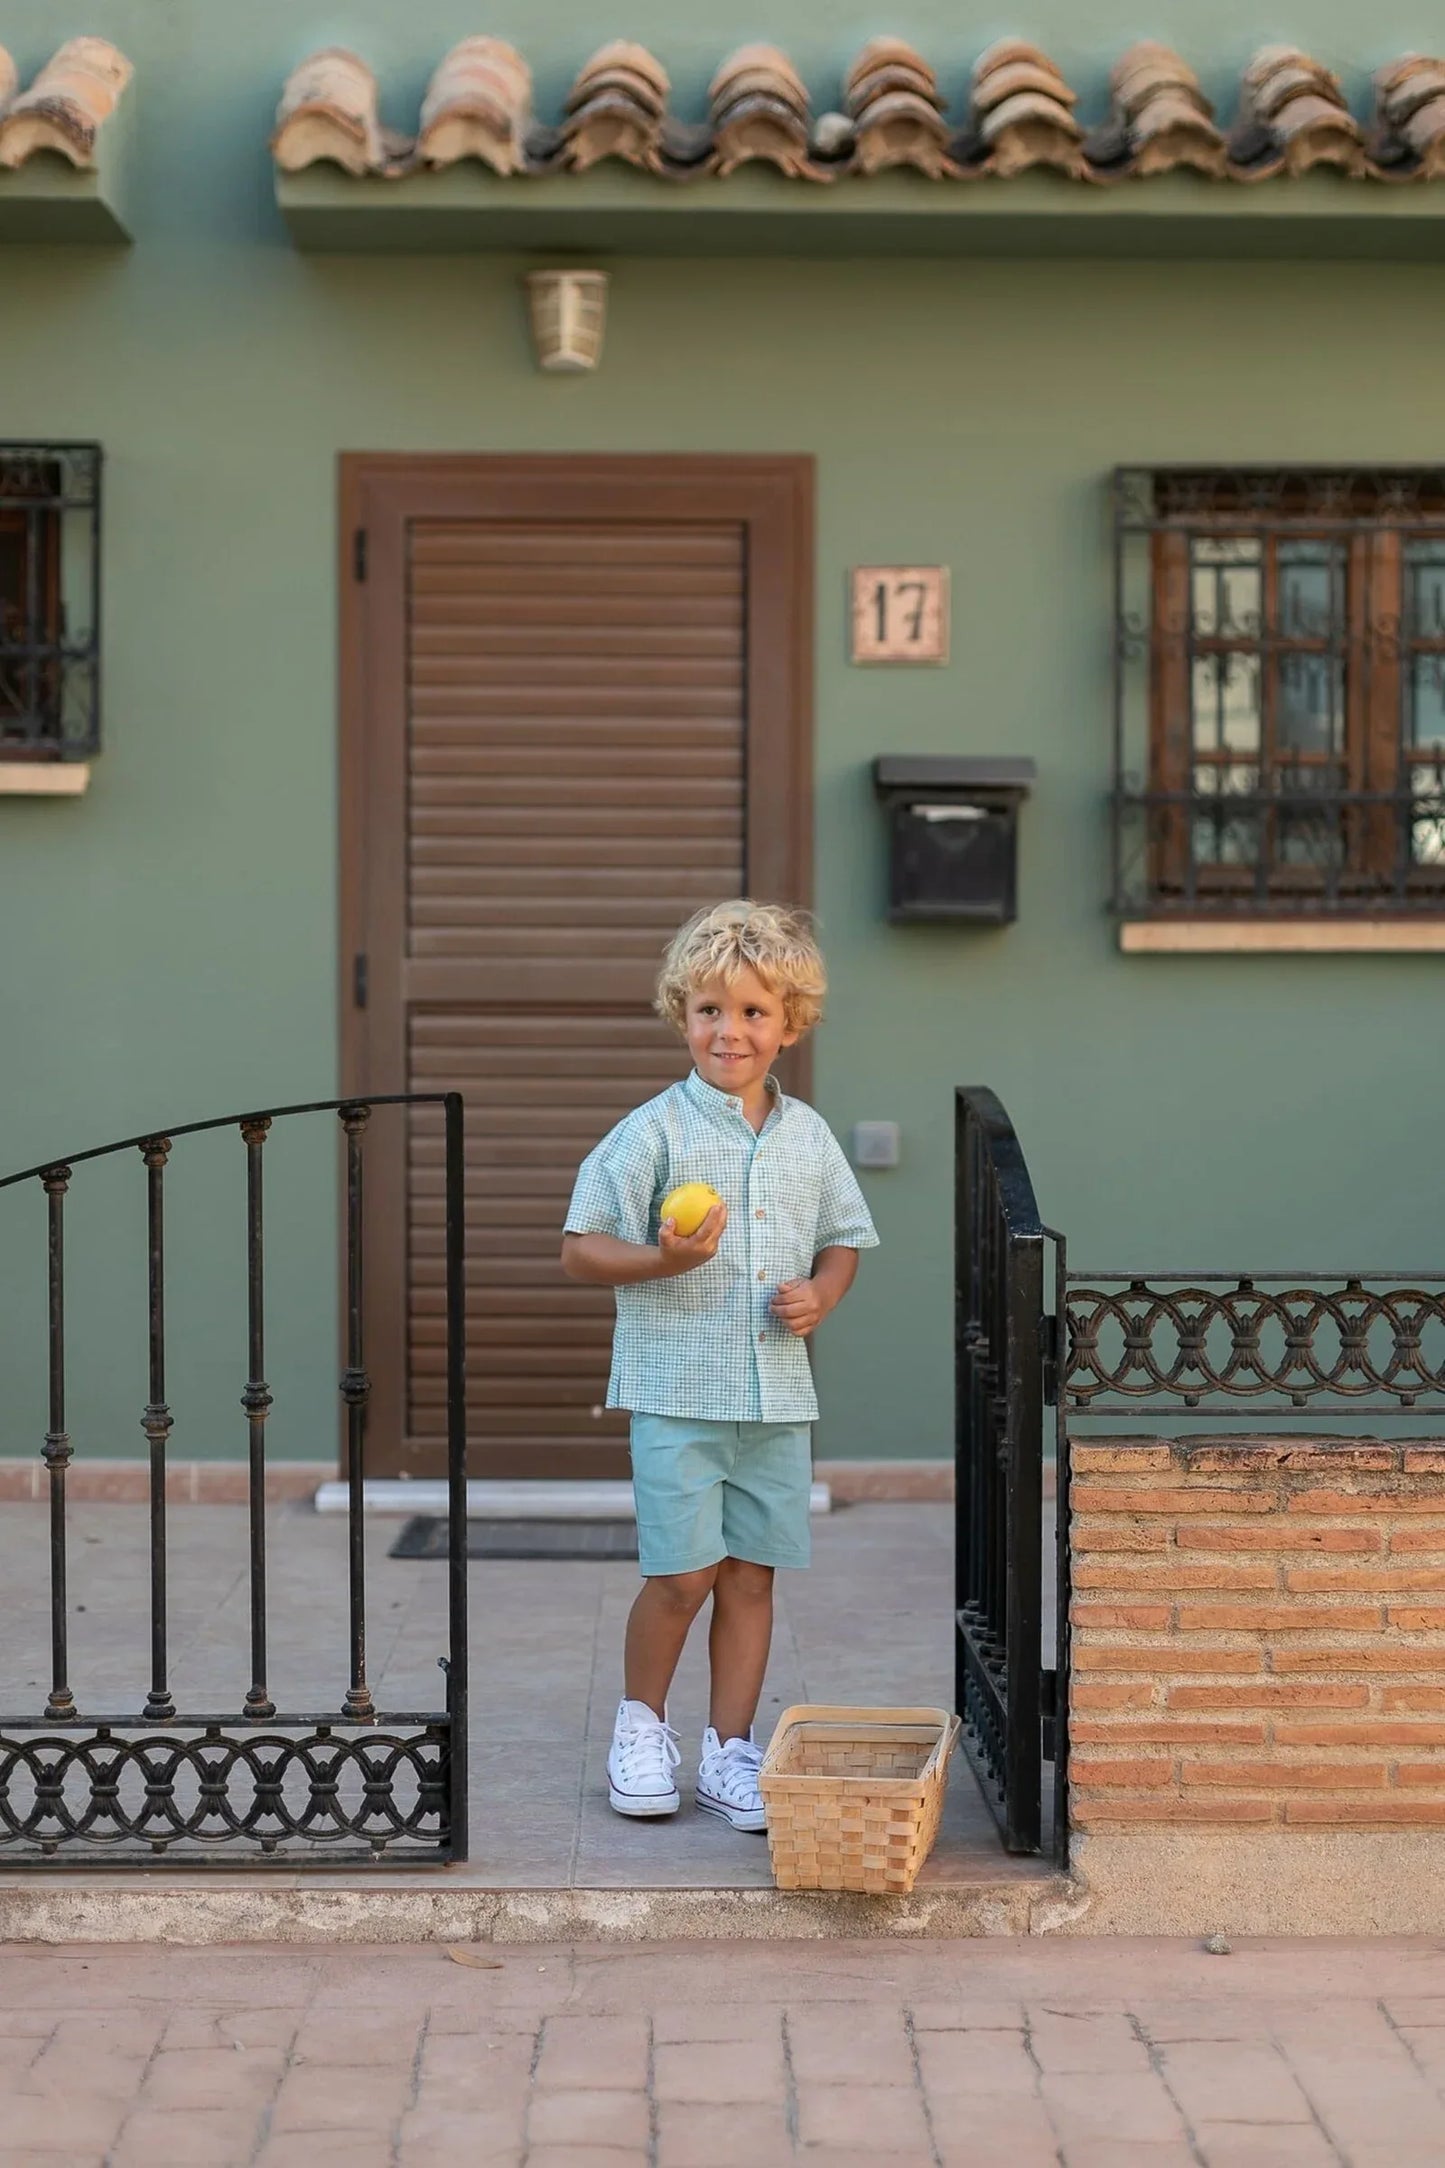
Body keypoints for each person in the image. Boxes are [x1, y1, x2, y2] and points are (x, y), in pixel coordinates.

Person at [561, 899, 879, 1831]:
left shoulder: (808, 1137)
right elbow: (579, 1249)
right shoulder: (651, 1134)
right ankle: (640, 1728)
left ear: (788, 1026)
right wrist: (665, 1260)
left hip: (776, 1399)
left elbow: (843, 1241)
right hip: (674, 1393)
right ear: (681, 1015)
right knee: (680, 1577)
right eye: (708, 1010)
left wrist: (823, 1294)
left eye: (751, 1013)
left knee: (750, 1577)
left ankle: (730, 1753)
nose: (728, 1031)